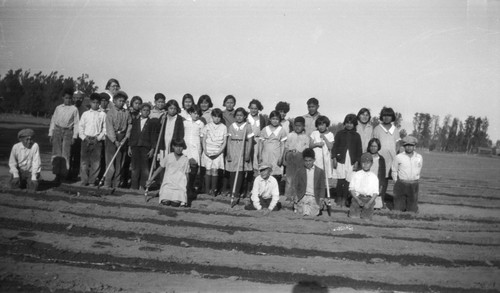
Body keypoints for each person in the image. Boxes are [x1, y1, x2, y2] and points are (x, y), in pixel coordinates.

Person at [146, 138, 190, 207]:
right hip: (168, 184)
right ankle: (165, 196)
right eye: (176, 146)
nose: (178, 149)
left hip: (179, 185)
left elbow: (187, 174)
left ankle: (179, 198)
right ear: (173, 146)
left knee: (175, 204)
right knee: (166, 202)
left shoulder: (185, 159)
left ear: (183, 147)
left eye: (181, 146)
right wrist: (150, 179)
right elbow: (159, 168)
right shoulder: (168, 157)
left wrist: (186, 187)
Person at [49, 88, 79, 184]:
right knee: (56, 153)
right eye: (66, 98)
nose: (68, 100)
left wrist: (74, 136)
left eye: (70, 98)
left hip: (67, 132)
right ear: (63, 98)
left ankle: (63, 175)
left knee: (66, 154)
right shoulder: (58, 108)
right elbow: (53, 121)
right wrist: (51, 133)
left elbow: (76, 123)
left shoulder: (74, 109)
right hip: (57, 131)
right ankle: (57, 174)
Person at [332, 114, 363, 207]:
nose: (349, 125)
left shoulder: (357, 135)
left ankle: (345, 198)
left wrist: (357, 161)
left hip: (351, 160)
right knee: (340, 180)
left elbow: (359, 150)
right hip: (341, 159)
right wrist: (334, 158)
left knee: (347, 181)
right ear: (344, 123)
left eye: (351, 123)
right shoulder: (340, 133)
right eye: (347, 123)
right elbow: (335, 147)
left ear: (354, 124)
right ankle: (338, 198)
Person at [103, 90, 132, 188]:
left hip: (122, 138)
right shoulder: (110, 113)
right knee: (110, 161)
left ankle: (116, 183)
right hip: (112, 139)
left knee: (120, 162)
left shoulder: (126, 113)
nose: (122, 103)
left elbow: (129, 125)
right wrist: (114, 140)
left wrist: (125, 138)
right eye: (120, 101)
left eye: (123, 101)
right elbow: (109, 127)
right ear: (114, 101)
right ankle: (107, 183)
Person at [372, 107, 400, 202]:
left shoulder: (395, 129)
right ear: (381, 117)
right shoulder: (377, 128)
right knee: (376, 179)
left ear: (392, 117)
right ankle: (373, 200)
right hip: (379, 158)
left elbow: (398, 143)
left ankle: (381, 200)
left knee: (385, 180)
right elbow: (373, 142)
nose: (386, 117)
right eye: (384, 115)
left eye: (389, 115)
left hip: (390, 159)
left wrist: (396, 154)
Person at [78, 93, 106, 186]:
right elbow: (80, 127)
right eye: (94, 102)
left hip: (97, 141)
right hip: (86, 139)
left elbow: (104, 129)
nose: (96, 104)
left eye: (98, 103)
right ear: (90, 102)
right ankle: (84, 180)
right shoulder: (85, 114)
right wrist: (84, 138)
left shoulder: (102, 114)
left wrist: (98, 138)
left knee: (96, 162)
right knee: (84, 162)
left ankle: (92, 181)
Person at [225, 107, 253, 198]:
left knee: (240, 171)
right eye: (237, 115)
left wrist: (248, 153)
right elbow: (229, 140)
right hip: (233, 148)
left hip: (242, 148)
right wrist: (228, 153)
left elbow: (251, 141)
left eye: (241, 115)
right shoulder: (232, 126)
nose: (239, 117)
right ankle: (232, 190)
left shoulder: (247, 126)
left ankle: (237, 191)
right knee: (233, 170)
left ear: (244, 116)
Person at [128, 103, 157, 190]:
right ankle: (134, 186)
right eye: (144, 110)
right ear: (140, 111)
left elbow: (153, 136)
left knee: (145, 168)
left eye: (147, 110)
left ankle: (143, 186)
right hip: (135, 146)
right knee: (135, 167)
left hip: (145, 147)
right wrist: (130, 146)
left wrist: (152, 148)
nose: (145, 112)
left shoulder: (151, 122)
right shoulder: (136, 121)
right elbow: (132, 134)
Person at [391, 136, 423, 213]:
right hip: (401, 183)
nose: (409, 147)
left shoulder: (419, 157)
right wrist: (396, 181)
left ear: (414, 146)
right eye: (407, 145)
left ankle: (412, 208)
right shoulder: (398, 157)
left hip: (413, 184)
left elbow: (419, 168)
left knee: (412, 210)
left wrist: (416, 178)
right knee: (398, 209)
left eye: (411, 145)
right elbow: (394, 170)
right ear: (404, 146)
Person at [259, 110, 287, 193]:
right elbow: (261, 143)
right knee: (265, 171)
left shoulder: (281, 130)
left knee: (275, 173)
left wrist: (281, 157)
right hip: (265, 154)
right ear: (270, 119)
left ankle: (273, 193)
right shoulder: (265, 129)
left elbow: (283, 145)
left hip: (276, 155)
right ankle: (264, 192)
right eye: (273, 119)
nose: (275, 121)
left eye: (277, 119)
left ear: (279, 120)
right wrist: (260, 155)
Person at [201, 108, 227, 196]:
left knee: (215, 171)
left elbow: (224, 142)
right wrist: (205, 151)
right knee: (208, 170)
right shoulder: (207, 126)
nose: (217, 119)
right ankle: (207, 190)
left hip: (218, 152)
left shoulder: (224, 127)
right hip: (208, 151)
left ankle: (214, 190)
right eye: (215, 117)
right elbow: (204, 140)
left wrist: (219, 152)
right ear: (212, 117)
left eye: (219, 117)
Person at [284, 117, 311, 200]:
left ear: (303, 126)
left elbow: (306, 149)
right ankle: (288, 196)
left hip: (300, 158)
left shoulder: (306, 137)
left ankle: (298, 195)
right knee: (289, 178)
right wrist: (285, 158)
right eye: (296, 125)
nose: (297, 127)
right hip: (290, 157)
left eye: (299, 126)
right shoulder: (290, 135)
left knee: (299, 178)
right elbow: (286, 148)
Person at [293, 148, 326, 216]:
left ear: (314, 160)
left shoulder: (320, 172)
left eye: (310, 161)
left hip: (314, 197)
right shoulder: (299, 171)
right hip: (303, 196)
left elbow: (322, 187)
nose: (308, 163)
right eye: (306, 161)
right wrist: (295, 196)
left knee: (312, 213)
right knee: (303, 212)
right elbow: (295, 186)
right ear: (303, 160)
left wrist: (321, 198)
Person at [348, 152, 379, 219]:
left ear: (371, 164)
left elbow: (375, 193)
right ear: (361, 163)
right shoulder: (356, 174)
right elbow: (352, 189)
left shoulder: (374, 177)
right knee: (353, 217)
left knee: (366, 219)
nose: (365, 165)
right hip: (357, 198)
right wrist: (357, 199)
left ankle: (366, 214)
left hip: (369, 199)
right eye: (363, 163)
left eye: (368, 163)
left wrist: (369, 203)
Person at [183, 105, 205, 200]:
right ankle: (184, 187)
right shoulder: (185, 122)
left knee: (194, 167)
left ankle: (190, 187)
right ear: (190, 113)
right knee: (184, 167)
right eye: (194, 113)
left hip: (195, 148)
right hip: (186, 147)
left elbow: (201, 137)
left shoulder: (200, 124)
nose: (196, 115)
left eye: (198, 114)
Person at [247, 99, 267, 194]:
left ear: (259, 109)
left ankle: (255, 188)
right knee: (247, 162)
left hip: (258, 141)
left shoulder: (261, 118)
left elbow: (263, 130)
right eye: (252, 108)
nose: (253, 110)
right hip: (248, 141)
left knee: (256, 163)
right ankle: (246, 187)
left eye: (256, 108)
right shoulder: (247, 117)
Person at [310, 115, 334, 188]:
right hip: (316, 159)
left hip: (325, 160)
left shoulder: (330, 134)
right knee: (315, 177)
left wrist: (325, 138)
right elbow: (310, 146)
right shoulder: (314, 133)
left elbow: (330, 147)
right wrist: (317, 144)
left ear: (326, 125)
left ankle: (323, 194)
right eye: (319, 125)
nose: (321, 127)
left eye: (323, 124)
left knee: (324, 178)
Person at [68, 90, 87, 181]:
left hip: (80, 136)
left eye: (80, 98)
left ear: (83, 99)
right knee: (68, 154)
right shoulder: (69, 108)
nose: (78, 100)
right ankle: (66, 172)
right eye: (76, 98)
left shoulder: (85, 110)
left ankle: (74, 174)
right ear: (73, 98)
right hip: (69, 134)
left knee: (77, 156)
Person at [367, 138, 386, 209]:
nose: (373, 148)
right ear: (369, 146)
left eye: (375, 146)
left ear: (378, 147)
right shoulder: (365, 156)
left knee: (376, 205)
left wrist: (381, 185)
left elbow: (382, 174)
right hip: (366, 180)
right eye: (371, 146)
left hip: (375, 182)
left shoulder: (381, 159)